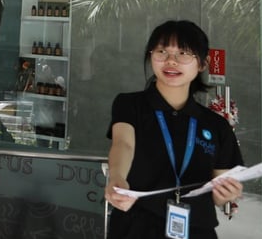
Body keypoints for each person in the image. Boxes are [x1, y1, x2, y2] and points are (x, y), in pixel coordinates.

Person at [104, 20, 244, 239]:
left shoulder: (216, 125)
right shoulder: (130, 105)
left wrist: (226, 194)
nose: (171, 61)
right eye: (162, 51)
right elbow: (124, 143)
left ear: (202, 64)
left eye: (183, 53)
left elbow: (219, 193)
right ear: (151, 56)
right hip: (138, 225)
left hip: (197, 229)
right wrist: (117, 177)